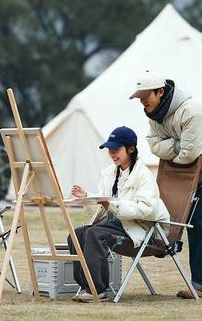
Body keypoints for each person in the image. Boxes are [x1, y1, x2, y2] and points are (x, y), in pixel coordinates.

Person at [130, 70, 202, 299]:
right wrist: (179, 146)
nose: (141, 101)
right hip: (190, 173)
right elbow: (153, 145)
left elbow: (191, 155)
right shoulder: (154, 114)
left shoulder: (191, 112)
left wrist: (174, 148)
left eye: (145, 96)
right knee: (193, 226)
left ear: (160, 92)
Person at [67, 126, 169, 302]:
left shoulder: (144, 175)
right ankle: (87, 286)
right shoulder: (108, 174)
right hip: (114, 224)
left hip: (138, 228)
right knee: (75, 235)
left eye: (116, 149)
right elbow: (100, 211)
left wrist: (112, 205)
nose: (112, 153)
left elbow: (145, 209)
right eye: (109, 150)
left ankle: (98, 289)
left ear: (130, 149)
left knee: (93, 233)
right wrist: (86, 198)